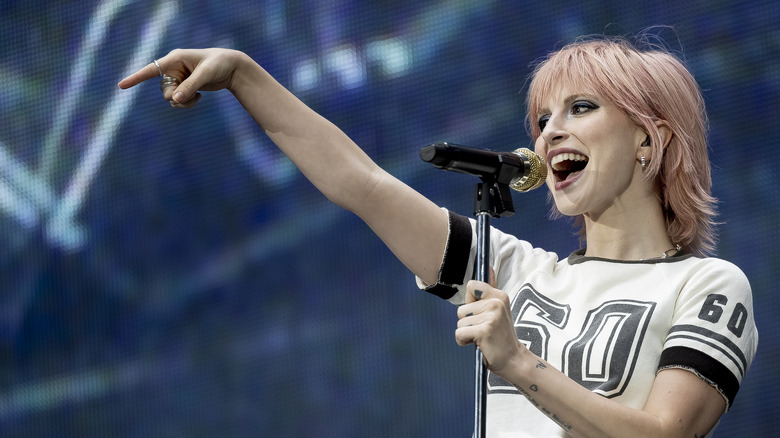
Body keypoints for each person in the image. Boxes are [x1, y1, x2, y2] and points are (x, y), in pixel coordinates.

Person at [119, 34, 758, 437]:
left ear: (649, 138)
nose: (549, 133)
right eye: (542, 118)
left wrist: (517, 362)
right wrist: (242, 75)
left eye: (581, 109)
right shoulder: (514, 270)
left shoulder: (707, 284)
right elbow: (362, 183)